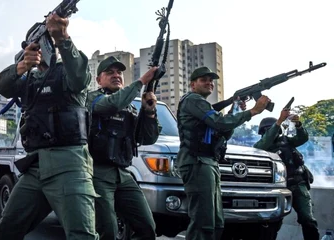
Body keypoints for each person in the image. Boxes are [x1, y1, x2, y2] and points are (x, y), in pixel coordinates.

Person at [0, 13, 99, 240]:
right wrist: (20, 67)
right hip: (36, 167)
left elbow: (80, 79)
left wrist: (63, 38)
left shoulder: (66, 70)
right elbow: (0, 85)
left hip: (70, 165)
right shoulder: (28, 79)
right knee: (5, 231)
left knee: (82, 236)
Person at [176, 66, 270, 239]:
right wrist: (253, 111)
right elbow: (220, 123)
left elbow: (224, 132)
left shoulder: (204, 106)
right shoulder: (193, 100)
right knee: (203, 222)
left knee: (216, 222)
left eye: (211, 80)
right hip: (197, 162)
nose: (209, 83)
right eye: (204, 80)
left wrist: (236, 110)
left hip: (208, 162)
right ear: (193, 85)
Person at [87, 56, 160, 239]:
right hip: (98, 173)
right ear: (98, 80)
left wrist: (150, 112)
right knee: (107, 231)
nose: (116, 75)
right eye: (110, 72)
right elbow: (111, 104)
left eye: (119, 72)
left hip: (124, 174)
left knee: (147, 226)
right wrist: (142, 81)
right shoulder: (92, 99)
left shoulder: (130, 107)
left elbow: (147, 138)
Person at [254, 110, 319, 240]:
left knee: (308, 219)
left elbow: (302, 138)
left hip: (297, 184)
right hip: (277, 189)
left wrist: (298, 124)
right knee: (271, 223)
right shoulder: (261, 147)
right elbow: (262, 145)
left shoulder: (287, 141)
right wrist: (278, 122)